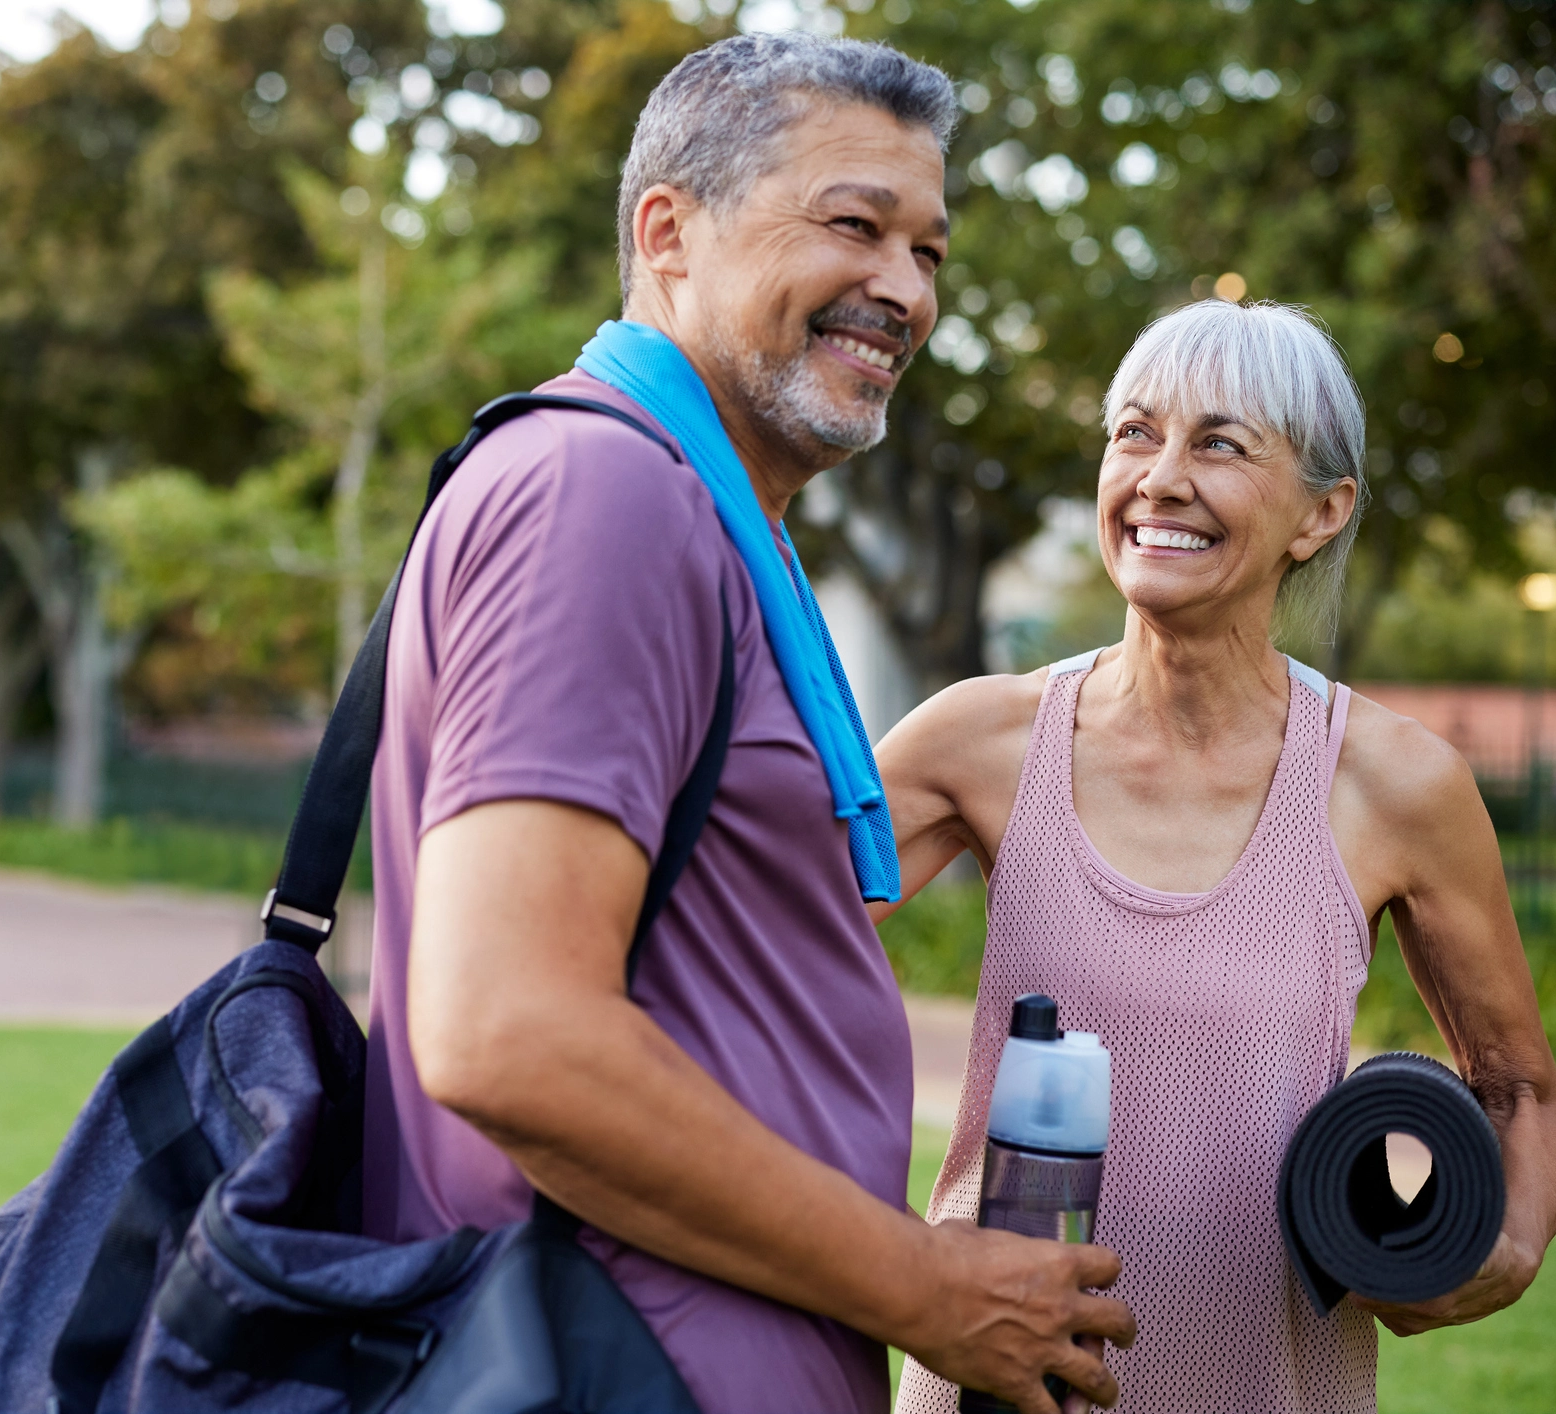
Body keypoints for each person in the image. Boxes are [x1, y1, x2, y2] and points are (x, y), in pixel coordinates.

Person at [360, 30, 1134, 1414]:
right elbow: (504, 1030)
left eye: (932, 252)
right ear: (670, 232)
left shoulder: (704, 519)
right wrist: (926, 1288)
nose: (903, 288)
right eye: (856, 224)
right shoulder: (607, 497)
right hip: (605, 1366)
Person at [882, 299, 1556, 1414]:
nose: (1157, 477)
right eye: (1131, 432)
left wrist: (1499, 1244)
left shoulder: (1394, 784)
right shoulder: (973, 740)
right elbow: (746, 950)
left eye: (1217, 443)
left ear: (1320, 513)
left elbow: (1520, 1093)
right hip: (992, 1389)